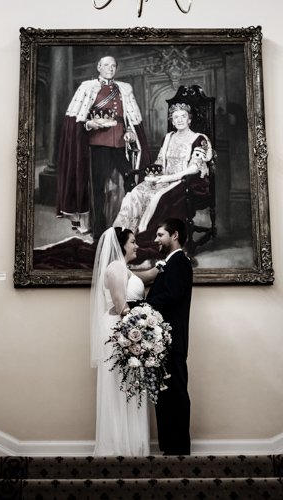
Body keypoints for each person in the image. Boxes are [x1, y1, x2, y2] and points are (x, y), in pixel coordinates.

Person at [55, 56, 151, 240]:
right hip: (98, 145)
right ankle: (99, 231)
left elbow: (128, 117)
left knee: (131, 181)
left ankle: (127, 225)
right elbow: (79, 121)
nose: (110, 68)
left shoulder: (124, 88)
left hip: (120, 146)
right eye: (106, 65)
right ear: (98, 67)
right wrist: (91, 123)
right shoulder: (87, 87)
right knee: (98, 189)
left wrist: (129, 131)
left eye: (113, 65)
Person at [113, 103, 211, 259]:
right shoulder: (168, 138)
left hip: (185, 180)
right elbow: (159, 162)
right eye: (176, 117)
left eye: (183, 116)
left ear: (189, 120)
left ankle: (145, 238)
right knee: (136, 193)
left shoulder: (198, 139)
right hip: (164, 177)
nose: (179, 120)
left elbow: (193, 169)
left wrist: (168, 178)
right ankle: (124, 236)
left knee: (159, 198)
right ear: (172, 121)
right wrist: (153, 176)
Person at [89, 226, 149, 456]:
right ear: (121, 244)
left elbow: (142, 281)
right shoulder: (115, 268)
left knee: (129, 385)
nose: (136, 246)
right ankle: (117, 445)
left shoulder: (124, 269)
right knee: (119, 386)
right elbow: (119, 303)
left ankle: (131, 443)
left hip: (126, 329)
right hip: (119, 330)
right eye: (133, 241)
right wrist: (141, 328)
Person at [144, 218, 193, 455]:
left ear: (174, 235)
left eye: (160, 234)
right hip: (163, 341)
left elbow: (172, 295)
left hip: (172, 341)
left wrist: (142, 307)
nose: (156, 239)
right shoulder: (169, 263)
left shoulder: (180, 262)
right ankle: (169, 447)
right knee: (164, 396)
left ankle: (179, 449)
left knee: (176, 393)